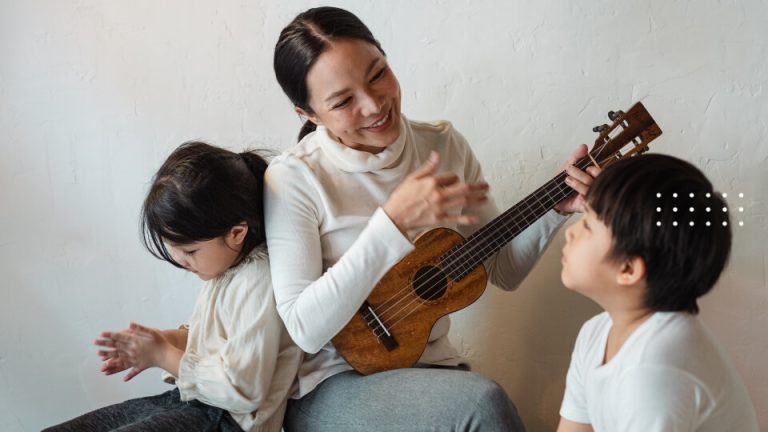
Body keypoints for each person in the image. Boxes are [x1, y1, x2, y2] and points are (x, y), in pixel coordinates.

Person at [266, 7, 598, 431]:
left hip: (430, 369)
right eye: (343, 101)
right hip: (333, 382)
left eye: (377, 74)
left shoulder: (441, 145)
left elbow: (502, 269)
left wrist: (552, 211)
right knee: (482, 402)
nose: (373, 105)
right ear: (308, 114)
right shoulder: (294, 178)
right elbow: (304, 329)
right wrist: (392, 225)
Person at [45, 142, 302, 432]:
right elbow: (207, 338)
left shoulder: (258, 279)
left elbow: (242, 391)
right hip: (191, 402)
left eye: (189, 251)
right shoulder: (223, 269)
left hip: (228, 421)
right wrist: (160, 341)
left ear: (237, 233)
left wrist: (163, 356)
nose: (180, 261)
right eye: (174, 249)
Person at [557, 154, 759, 432]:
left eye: (588, 225)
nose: (570, 233)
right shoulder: (595, 334)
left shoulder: (656, 370)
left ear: (628, 268)